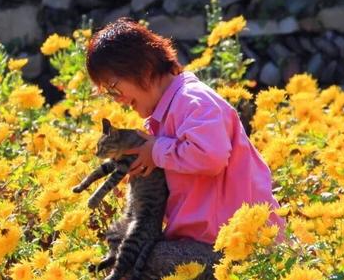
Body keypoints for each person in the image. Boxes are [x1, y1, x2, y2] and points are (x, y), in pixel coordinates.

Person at [86, 17, 286, 247]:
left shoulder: (192, 100)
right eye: (109, 94)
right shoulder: (162, 116)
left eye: (114, 87)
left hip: (245, 243)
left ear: (141, 67)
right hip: (212, 240)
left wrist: (157, 151)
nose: (117, 99)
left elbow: (211, 157)